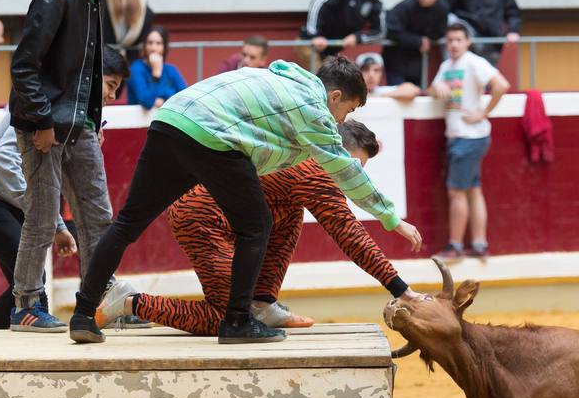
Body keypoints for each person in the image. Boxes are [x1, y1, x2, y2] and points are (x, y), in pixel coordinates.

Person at [66, 56, 410, 345]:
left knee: (127, 223)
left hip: (170, 120)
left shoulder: (281, 76)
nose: (341, 122)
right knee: (256, 224)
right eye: (346, 111)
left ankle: (82, 314)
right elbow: (348, 203)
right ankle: (236, 321)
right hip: (209, 147)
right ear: (334, 97)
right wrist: (392, 220)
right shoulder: (316, 117)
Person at [106, 119, 423, 334]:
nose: (353, 176)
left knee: (289, 209)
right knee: (227, 318)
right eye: (355, 165)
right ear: (339, 150)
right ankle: (130, 302)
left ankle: (263, 301)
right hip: (202, 215)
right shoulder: (317, 170)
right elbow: (350, 236)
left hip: (216, 208)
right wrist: (402, 290)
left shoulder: (305, 149)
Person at [6, 0, 141, 333]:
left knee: (98, 213)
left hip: (78, 123)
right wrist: (42, 122)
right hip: (44, 126)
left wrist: (92, 118)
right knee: (43, 218)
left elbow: (87, 69)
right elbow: (24, 67)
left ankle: (99, 299)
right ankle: (25, 305)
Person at [0, 47, 130, 329]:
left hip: (8, 201)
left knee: (26, 286)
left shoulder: (73, 109)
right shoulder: (48, 101)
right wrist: (56, 224)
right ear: (92, 76)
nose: (113, 97)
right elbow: (6, 161)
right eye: (111, 86)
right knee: (31, 285)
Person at [429, 24, 507, 263]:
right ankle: (479, 244)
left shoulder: (473, 62)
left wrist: (483, 113)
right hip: (463, 136)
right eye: (450, 40)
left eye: (458, 40)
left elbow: (501, 85)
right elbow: (432, 89)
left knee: (457, 192)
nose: (453, 44)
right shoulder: (446, 66)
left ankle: (455, 246)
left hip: (469, 137)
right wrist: (437, 87)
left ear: (467, 41)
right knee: (472, 190)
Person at [385, 0, 450, 87]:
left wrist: (427, 40)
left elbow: (440, 32)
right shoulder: (406, 6)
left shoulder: (442, 8)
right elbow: (391, 29)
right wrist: (418, 41)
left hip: (417, 64)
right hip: (396, 61)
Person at [127, 27, 186, 110]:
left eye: (158, 43)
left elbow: (186, 98)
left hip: (166, 119)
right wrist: (156, 73)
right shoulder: (136, 69)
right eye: (150, 43)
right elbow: (147, 102)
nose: (153, 48)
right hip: (139, 121)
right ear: (144, 45)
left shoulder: (170, 70)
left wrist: (164, 101)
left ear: (164, 47)